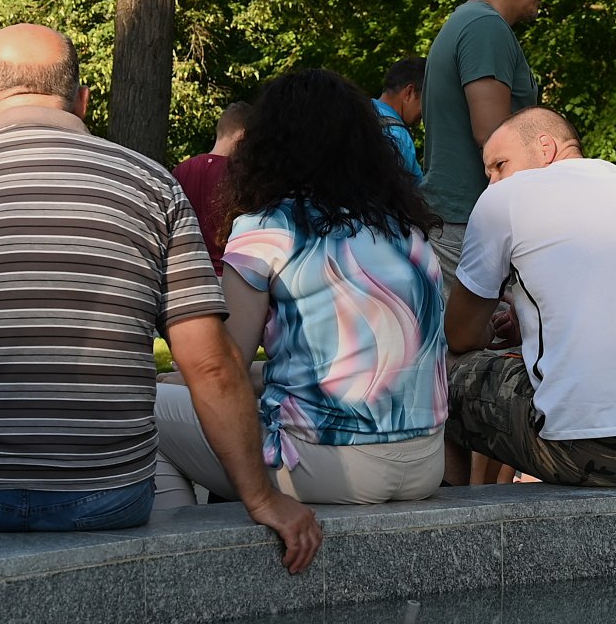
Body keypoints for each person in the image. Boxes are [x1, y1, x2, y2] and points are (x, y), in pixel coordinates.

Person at [0, 25, 319, 567]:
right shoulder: (154, 187)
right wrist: (264, 498)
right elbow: (212, 366)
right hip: (109, 497)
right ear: (82, 100)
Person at [154, 69, 449, 507]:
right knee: (182, 387)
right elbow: (326, 369)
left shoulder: (266, 229)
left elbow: (224, 369)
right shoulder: (407, 233)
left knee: (146, 406)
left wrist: (170, 378)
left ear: (267, 145)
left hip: (330, 468)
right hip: (425, 464)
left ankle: (185, 555)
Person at [443, 108, 616, 487]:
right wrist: (531, 330)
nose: (493, 183)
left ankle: (457, 531)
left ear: (546, 147)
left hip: (584, 452)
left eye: (499, 165)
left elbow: (460, 334)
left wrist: (485, 334)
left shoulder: (507, 198)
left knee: (443, 374)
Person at [421, 0, 548, 287]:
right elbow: (495, 139)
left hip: (463, 223)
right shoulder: (485, 27)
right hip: (472, 228)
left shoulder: (469, 21)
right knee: (485, 344)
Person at [172, 101, 252, 273]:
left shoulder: (182, 170)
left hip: (186, 271)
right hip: (227, 274)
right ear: (242, 136)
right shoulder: (241, 175)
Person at [374, 58, 425, 180]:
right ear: (410, 93)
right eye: (426, 102)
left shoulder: (357, 114)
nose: (425, 114)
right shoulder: (397, 136)